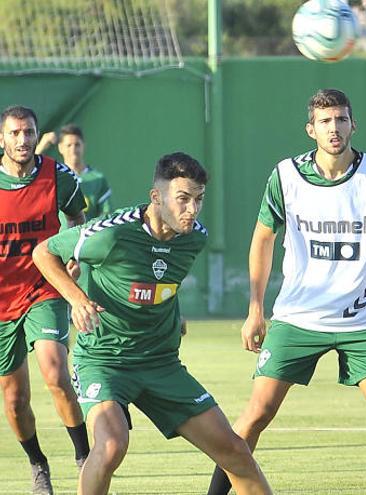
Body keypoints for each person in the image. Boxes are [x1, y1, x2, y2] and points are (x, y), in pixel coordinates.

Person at [206, 88, 366, 495]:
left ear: (353, 125)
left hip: (363, 322)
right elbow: (262, 238)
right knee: (257, 412)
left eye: (341, 120)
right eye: (326, 122)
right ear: (310, 129)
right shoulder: (286, 176)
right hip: (298, 318)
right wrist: (255, 308)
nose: (335, 128)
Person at [32, 152, 272, 495]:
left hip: (161, 363)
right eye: (183, 199)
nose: (192, 209)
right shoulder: (111, 234)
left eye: (199, 199)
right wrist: (77, 298)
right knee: (112, 444)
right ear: (156, 197)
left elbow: (159, 284)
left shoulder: (194, 238)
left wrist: (173, 313)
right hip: (105, 361)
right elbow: (44, 253)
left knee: (235, 451)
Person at [0, 105, 89, 494]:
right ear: (2, 138)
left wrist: (74, 254)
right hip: (2, 300)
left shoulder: (58, 176)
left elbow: (79, 220)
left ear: (38, 135)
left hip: (44, 288)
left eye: (29, 132)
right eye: (15, 133)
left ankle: (86, 458)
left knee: (55, 372)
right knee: (15, 399)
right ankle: (38, 464)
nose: (23, 140)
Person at [36, 124, 112, 221]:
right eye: (69, 145)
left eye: (77, 144)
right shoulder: (53, 176)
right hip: (61, 235)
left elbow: (106, 214)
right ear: (60, 148)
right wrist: (42, 145)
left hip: (89, 235)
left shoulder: (98, 180)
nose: (73, 150)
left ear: (83, 146)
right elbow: (28, 169)